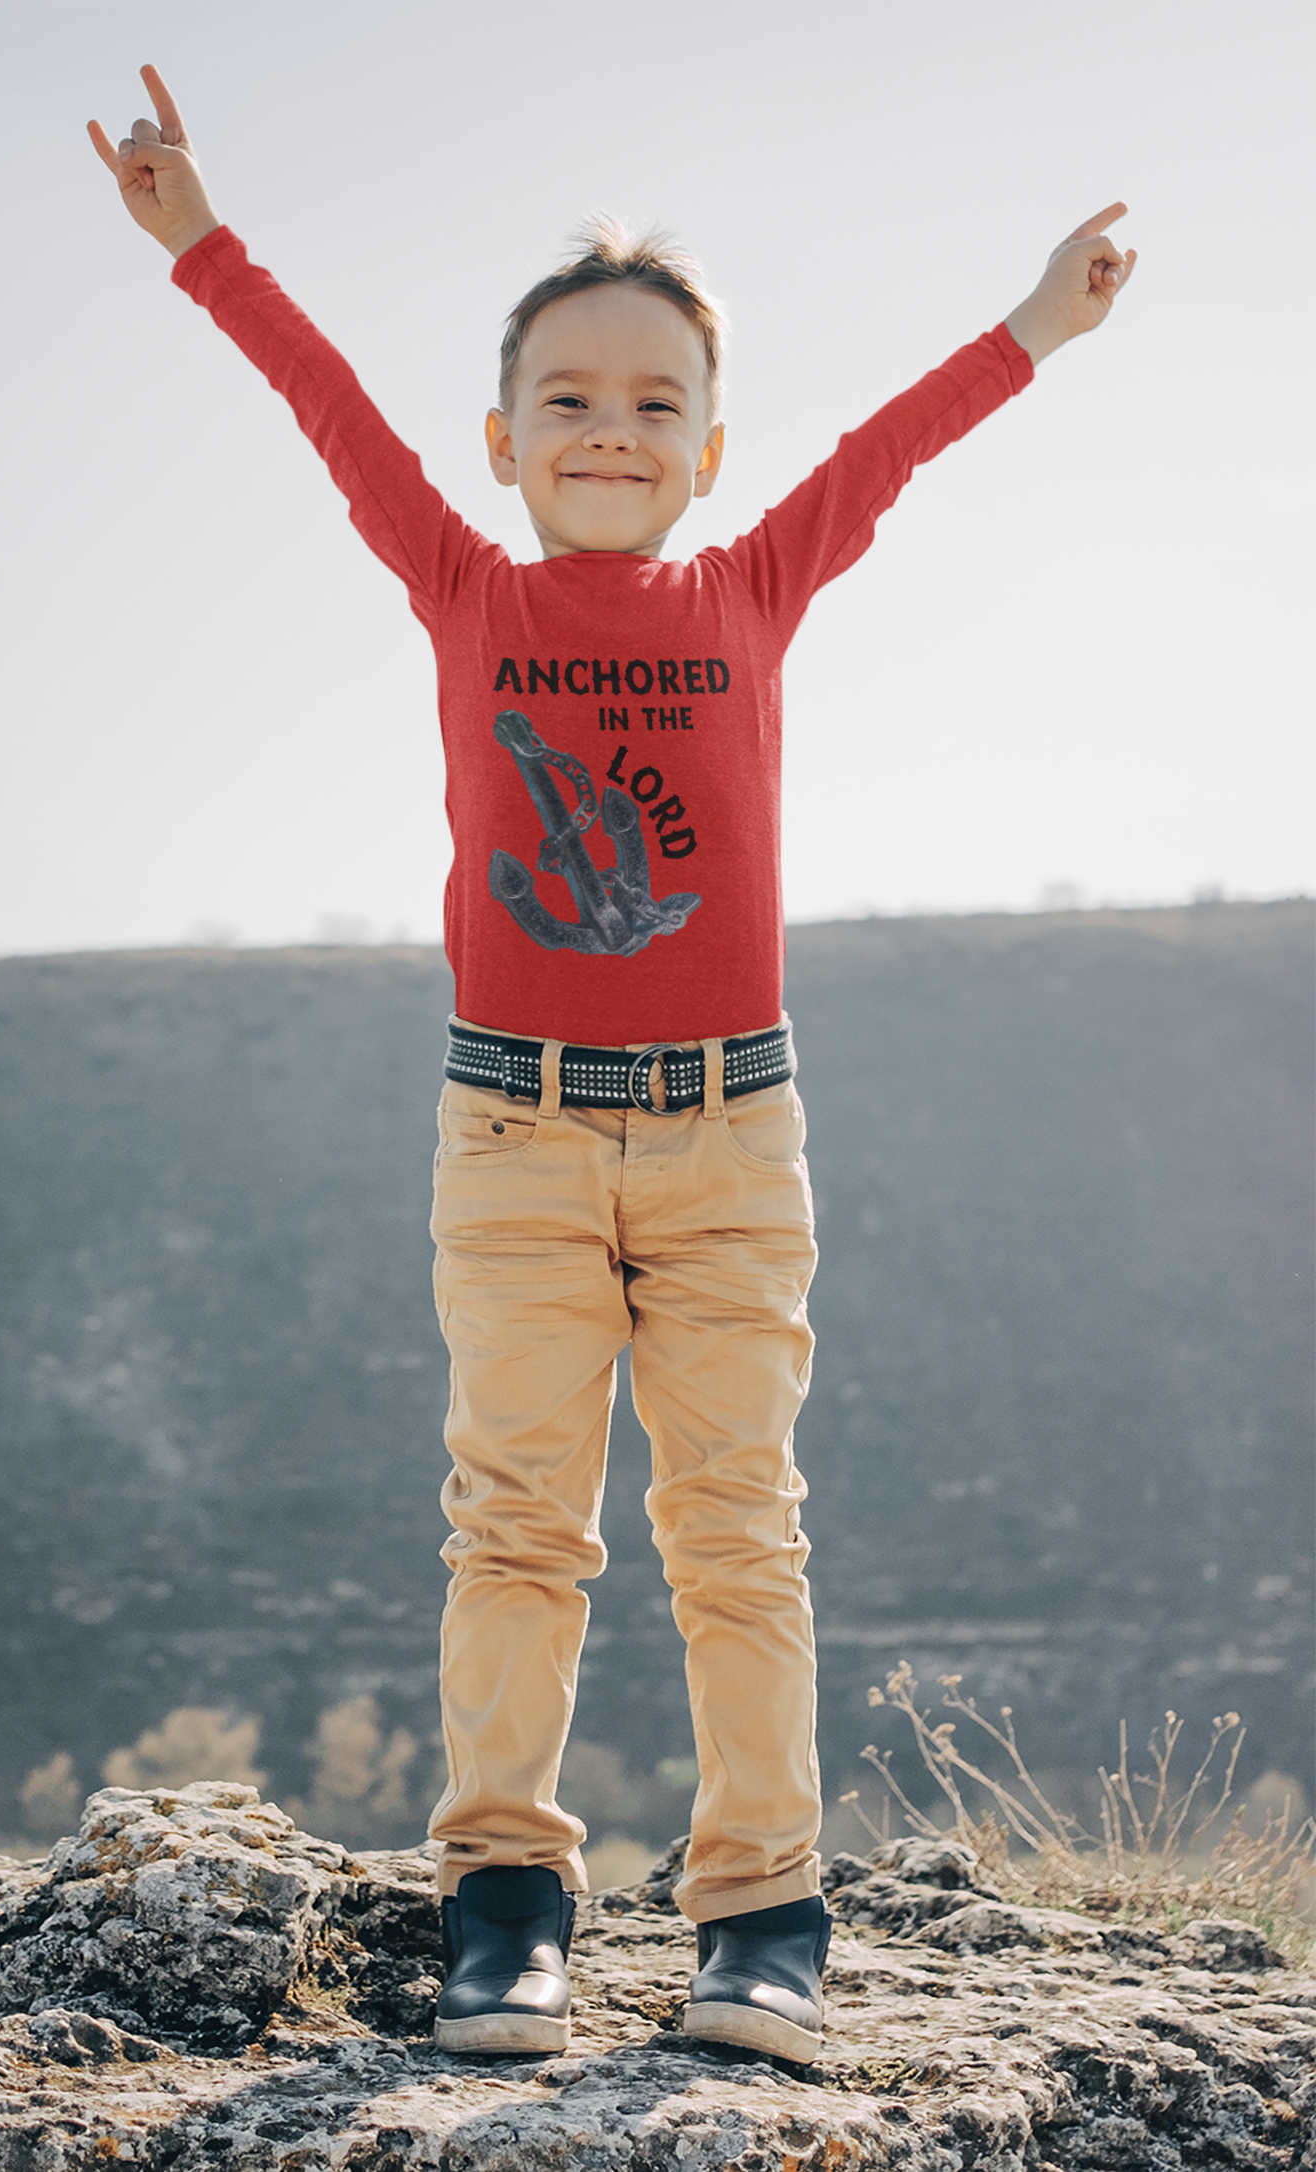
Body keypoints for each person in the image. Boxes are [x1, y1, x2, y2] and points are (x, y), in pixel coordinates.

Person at [88, 65, 1135, 2063]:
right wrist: (199, 244)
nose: (610, 430)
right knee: (517, 1530)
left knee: (739, 1528)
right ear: (499, 441)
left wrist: (1036, 326)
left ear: (714, 451)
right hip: (514, 1139)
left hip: (736, 1135)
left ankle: (763, 1917)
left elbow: (888, 453)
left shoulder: (750, 587)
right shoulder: (466, 590)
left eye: (657, 402)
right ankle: (506, 1903)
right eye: (569, 397)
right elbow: (330, 414)